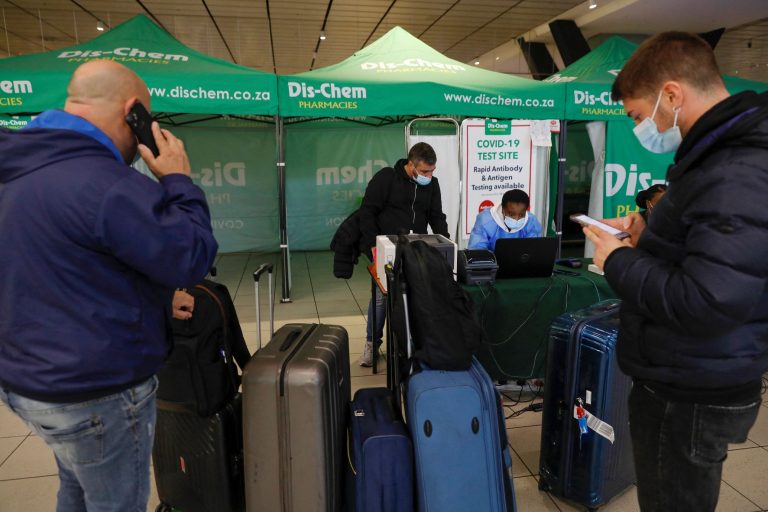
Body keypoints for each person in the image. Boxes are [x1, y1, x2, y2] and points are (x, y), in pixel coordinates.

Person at [0, 60, 217, 512]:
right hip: (96, 392)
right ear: (133, 112)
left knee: (76, 485)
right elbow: (193, 256)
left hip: (28, 380)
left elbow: (58, 261)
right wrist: (178, 179)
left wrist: (156, 295)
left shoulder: (20, 162)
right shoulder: (108, 185)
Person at [583, 32, 768, 512]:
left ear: (671, 94)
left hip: (692, 386)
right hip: (689, 369)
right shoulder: (716, 156)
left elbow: (708, 299)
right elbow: (712, 253)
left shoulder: (734, 168)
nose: (640, 129)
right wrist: (647, 234)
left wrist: (617, 261)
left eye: (637, 116)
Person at [357, 142, 449, 366]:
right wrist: (373, 246)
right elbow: (367, 212)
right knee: (381, 298)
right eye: (425, 171)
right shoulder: (386, 178)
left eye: (432, 171)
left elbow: (437, 216)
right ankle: (371, 343)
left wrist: (446, 244)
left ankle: (410, 345)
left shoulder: (432, 185)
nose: (429, 176)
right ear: (411, 164)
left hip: (416, 249)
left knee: (417, 295)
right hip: (385, 248)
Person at [467, 189, 542, 250]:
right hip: (492, 263)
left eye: (521, 215)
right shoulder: (486, 220)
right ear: (503, 209)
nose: (516, 219)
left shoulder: (531, 222)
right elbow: (477, 250)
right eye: (511, 214)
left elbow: (533, 250)